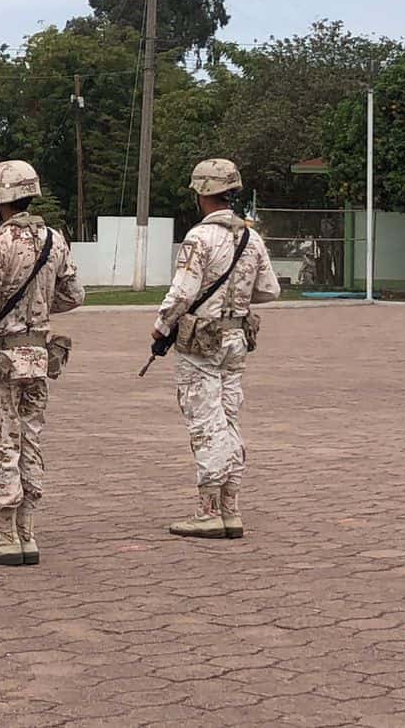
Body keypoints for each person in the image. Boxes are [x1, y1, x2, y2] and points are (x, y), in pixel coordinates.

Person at [0, 161, 83, 566]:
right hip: (38, 356)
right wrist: (37, 308)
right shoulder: (55, 239)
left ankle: (5, 534)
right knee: (29, 441)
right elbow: (75, 294)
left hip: (0, 357)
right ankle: (27, 532)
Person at [154, 158, 280, 539]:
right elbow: (270, 290)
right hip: (236, 339)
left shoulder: (199, 238)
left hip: (201, 343)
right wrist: (236, 297)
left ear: (202, 195)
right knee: (227, 419)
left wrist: (161, 328)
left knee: (205, 423)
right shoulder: (250, 237)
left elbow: (182, 293)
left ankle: (208, 511)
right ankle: (231, 507)